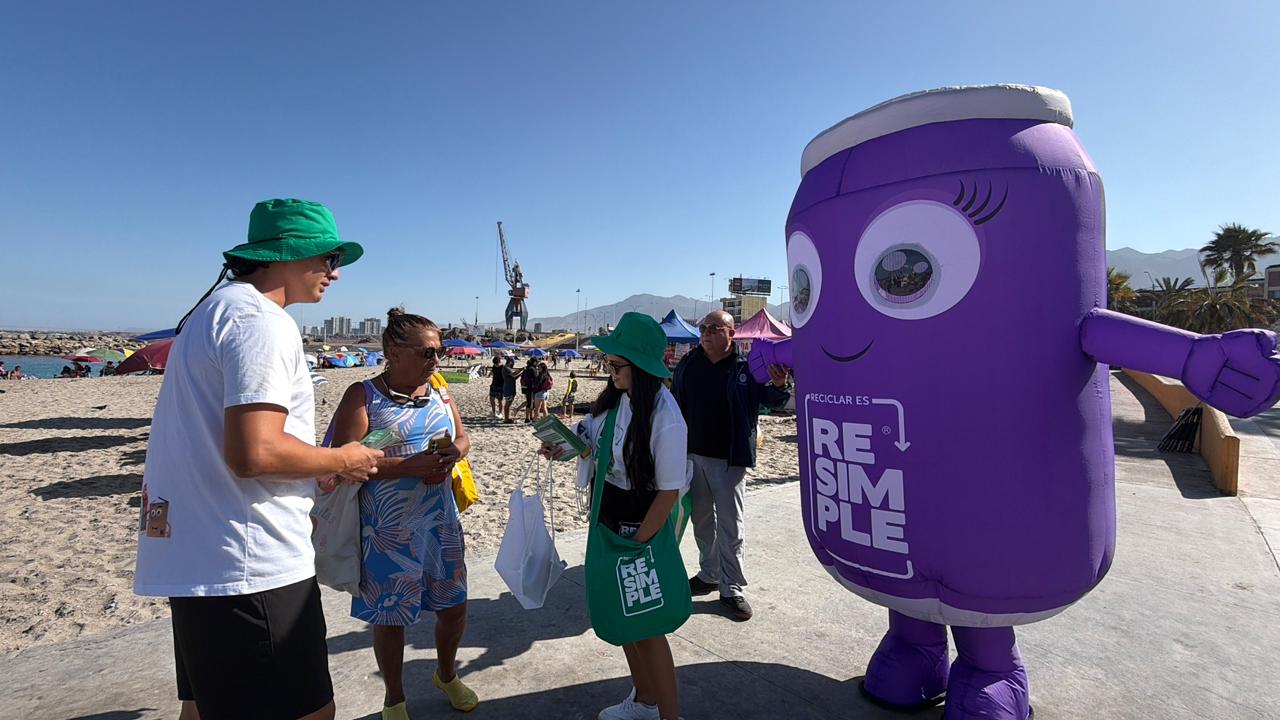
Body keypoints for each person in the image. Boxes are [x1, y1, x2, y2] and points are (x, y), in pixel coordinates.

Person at [133, 198, 382, 720]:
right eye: (329, 258)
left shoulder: (212, 312)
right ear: (287, 254)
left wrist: (313, 469)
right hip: (249, 562)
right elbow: (255, 452)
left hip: (200, 553)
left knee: (203, 707)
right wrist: (341, 459)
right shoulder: (260, 320)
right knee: (311, 711)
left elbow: (230, 444)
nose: (335, 273)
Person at [329, 307, 478, 720]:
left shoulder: (440, 392)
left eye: (440, 351)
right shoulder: (363, 396)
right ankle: (394, 699)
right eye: (428, 352)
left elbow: (463, 437)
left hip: (440, 523)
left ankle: (446, 675)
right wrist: (407, 466)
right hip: (386, 530)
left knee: (454, 607)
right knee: (390, 616)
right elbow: (342, 462)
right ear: (393, 352)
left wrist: (454, 452)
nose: (437, 360)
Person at [548, 313, 689, 720]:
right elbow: (590, 440)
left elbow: (669, 491)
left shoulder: (665, 416)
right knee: (625, 622)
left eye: (615, 364)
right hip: (608, 522)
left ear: (640, 366)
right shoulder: (618, 399)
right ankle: (644, 701)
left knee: (648, 629)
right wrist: (563, 446)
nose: (608, 371)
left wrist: (638, 545)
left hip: (639, 531)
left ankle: (669, 715)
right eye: (607, 363)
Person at [671, 310, 790, 621]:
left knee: (730, 524)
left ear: (731, 333)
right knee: (701, 520)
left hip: (729, 459)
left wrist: (780, 385)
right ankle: (709, 573)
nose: (706, 333)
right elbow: (674, 403)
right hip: (692, 456)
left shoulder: (744, 367)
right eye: (703, 328)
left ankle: (732, 587)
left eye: (714, 328)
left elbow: (772, 401)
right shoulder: (688, 364)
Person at [501, 357, 519, 424]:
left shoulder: (506, 368)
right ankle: (506, 419)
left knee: (509, 403)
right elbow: (514, 375)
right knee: (507, 404)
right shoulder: (506, 368)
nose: (513, 364)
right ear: (510, 362)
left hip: (510, 388)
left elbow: (514, 377)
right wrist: (520, 371)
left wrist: (520, 372)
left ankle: (507, 418)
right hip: (508, 388)